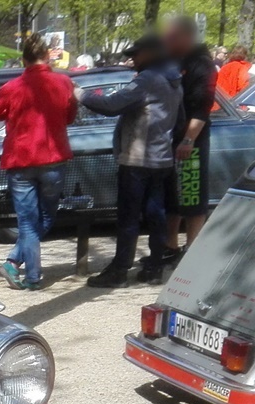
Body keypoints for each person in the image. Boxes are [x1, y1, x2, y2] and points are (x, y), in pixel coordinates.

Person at [0, 32, 79, 290]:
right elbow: (70, 116)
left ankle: (22, 268)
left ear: (23, 61)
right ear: (47, 57)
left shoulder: (11, 88)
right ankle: (19, 266)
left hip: (20, 160)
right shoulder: (63, 83)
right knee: (46, 218)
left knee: (27, 222)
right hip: (53, 158)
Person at [79, 35, 181, 288]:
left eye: (136, 54)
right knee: (156, 215)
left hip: (138, 160)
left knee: (128, 217)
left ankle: (119, 271)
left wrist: (78, 93)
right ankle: (155, 267)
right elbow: (181, 119)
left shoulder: (147, 79)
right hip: (162, 160)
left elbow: (112, 105)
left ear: (151, 54)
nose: (132, 59)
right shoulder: (175, 80)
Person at [163, 18, 218, 263]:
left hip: (191, 140)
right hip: (170, 137)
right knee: (172, 196)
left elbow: (202, 108)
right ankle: (170, 247)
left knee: (192, 195)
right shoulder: (172, 60)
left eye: (172, 37)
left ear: (186, 37)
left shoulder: (202, 64)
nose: (168, 41)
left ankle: (191, 251)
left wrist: (188, 139)